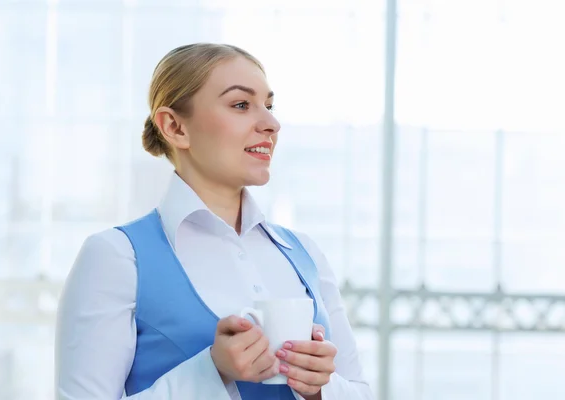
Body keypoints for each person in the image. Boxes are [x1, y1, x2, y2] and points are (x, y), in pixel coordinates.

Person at [55, 43, 374, 400]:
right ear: (174, 127)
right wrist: (211, 372)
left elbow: (360, 391)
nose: (271, 124)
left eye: (268, 106)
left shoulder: (305, 254)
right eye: (241, 105)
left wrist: (319, 388)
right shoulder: (115, 257)